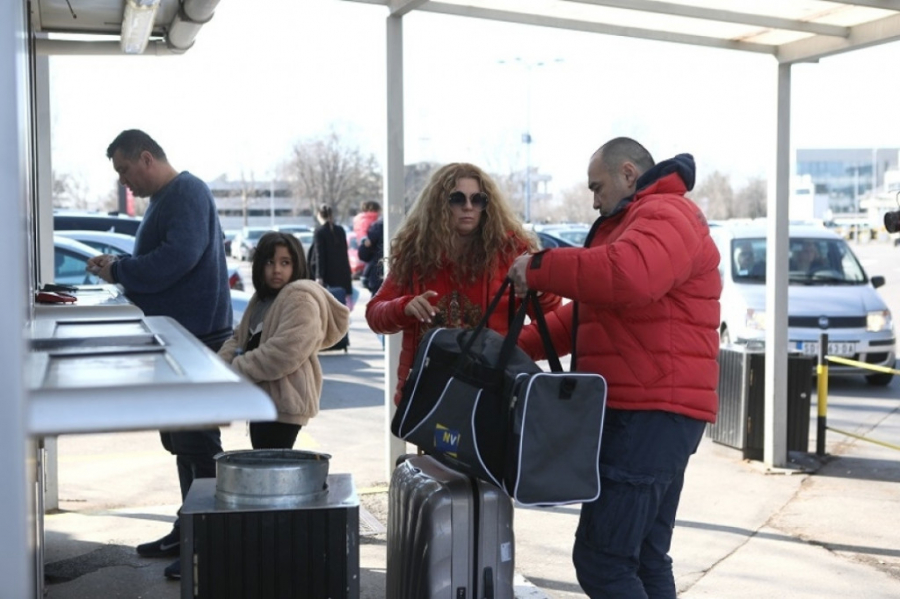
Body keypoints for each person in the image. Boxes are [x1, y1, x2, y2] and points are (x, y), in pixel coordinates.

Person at [508, 137, 721, 598]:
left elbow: (627, 276)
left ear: (628, 173)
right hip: (654, 415)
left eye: (596, 186)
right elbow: (590, 316)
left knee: (603, 562)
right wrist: (508, 347)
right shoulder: (640, 219)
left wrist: (540, 268)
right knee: (642, 559)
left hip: (649, 416)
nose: (593, 200)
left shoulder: (665, 213)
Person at [87, 129, 234, 581]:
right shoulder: (167, 198)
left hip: (195, 340)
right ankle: (187, 528)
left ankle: (209, 545)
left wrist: (120, 270)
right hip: (178, 338)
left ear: (146, 158)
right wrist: (121, 268)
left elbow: (177, 258)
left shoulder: (186, 191)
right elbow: (168, 260)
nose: (123, 182)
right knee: (180, 442)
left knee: (198, 443)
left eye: (124, 170)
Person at [365, 162, 561, 405]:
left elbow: (551, 320)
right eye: (457, 199)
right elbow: (374, 313)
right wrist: (403, 307)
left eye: (477, 199)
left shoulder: (512, 250)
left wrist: (538, 297)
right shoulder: (416, 252)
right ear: (439, 204)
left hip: (491, 392)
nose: (468, 206)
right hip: (429, 393)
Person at [218, 232, 350, 449]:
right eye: (270, 262)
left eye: (285, 262)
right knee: (263, 461)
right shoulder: (262, 299)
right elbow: (240, 338)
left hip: (284, 404)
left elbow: (283, 353)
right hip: (261, 401)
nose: (277, 269)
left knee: (271, 464)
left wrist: (236, 368)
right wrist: (220, 366)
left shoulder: (301, 300)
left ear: (296, 265)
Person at [310, 204, 353, 300]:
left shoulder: (319, 231)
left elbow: (319, 255)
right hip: (342, 276)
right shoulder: (340, 230)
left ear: (319, 215)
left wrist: (319, 276)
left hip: (327, 278)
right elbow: (344, 254)